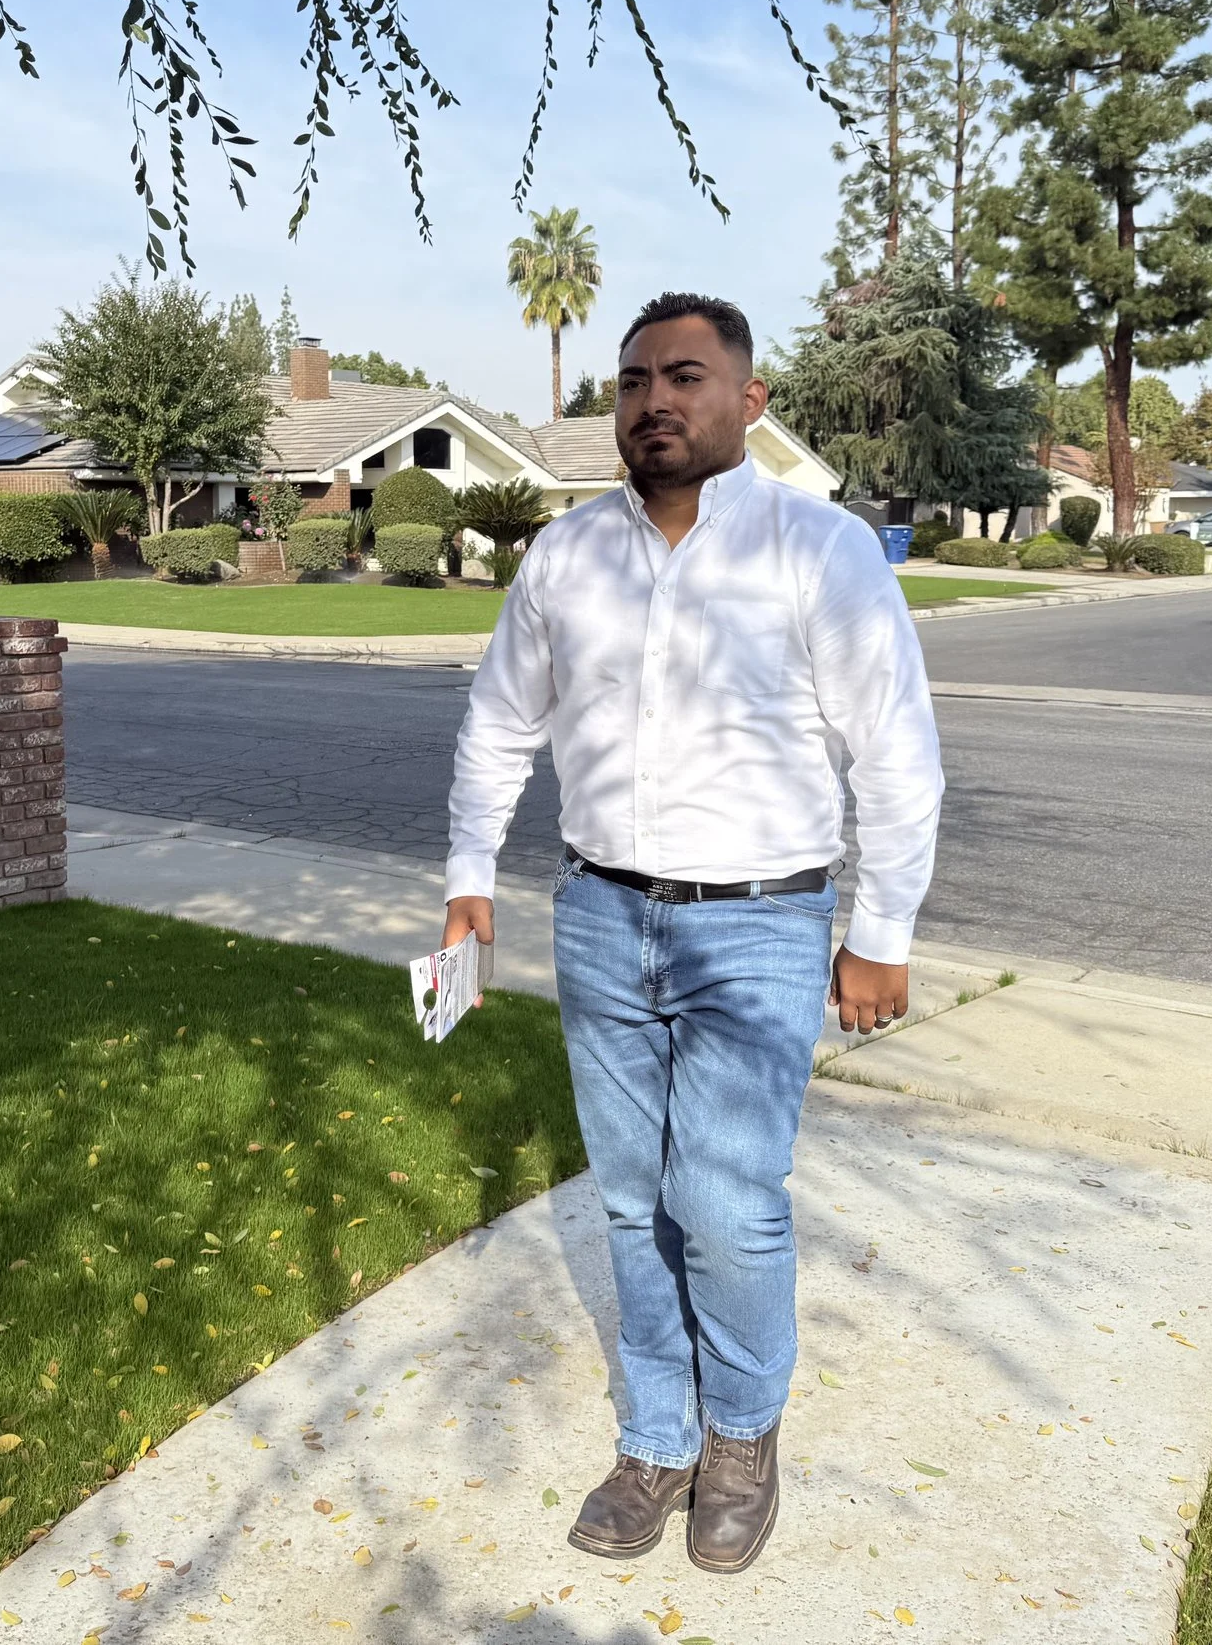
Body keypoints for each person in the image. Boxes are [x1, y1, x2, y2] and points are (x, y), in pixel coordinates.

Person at [440, 291, 943, 1573]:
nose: (653, 402)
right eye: (631, 382)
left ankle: (741, 1434)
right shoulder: (565, 555)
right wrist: (468, 876)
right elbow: (501, 722)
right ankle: (656, 1437)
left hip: (761, 925)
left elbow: (893, 756)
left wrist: (879, 928)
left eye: (684, 377)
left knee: (724, 1204)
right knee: (629, 1202)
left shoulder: (815, 549)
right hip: (602, 914)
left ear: (747, 401)